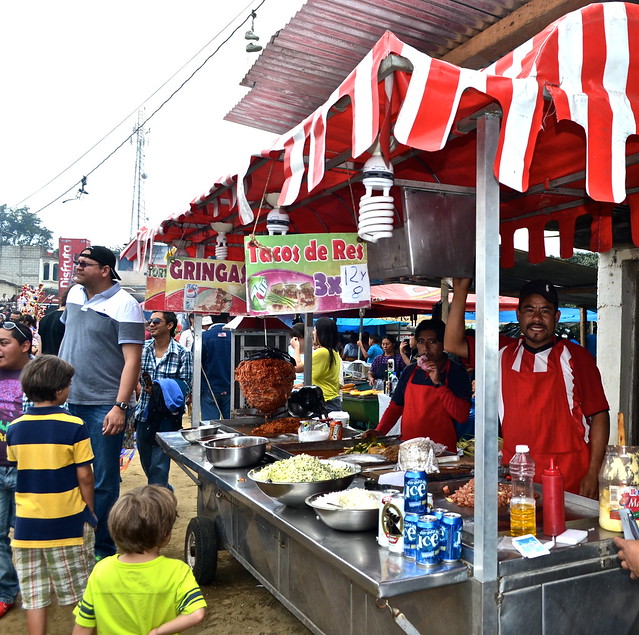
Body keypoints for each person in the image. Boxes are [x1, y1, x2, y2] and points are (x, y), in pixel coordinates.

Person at [445, 278, 610, 498]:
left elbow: (599, 415)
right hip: (519, 476)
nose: (536, 318)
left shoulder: (577, 356)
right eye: (530, 310)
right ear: (518, 314)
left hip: (572, 479)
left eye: (545, 311)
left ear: (556, 317)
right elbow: (452, 344)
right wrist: (461, 290)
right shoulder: (502, 352)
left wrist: (593, 473)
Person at [59, 245, 145, 559]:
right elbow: (72, 342)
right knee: (68, 473)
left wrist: (120, 406)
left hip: (103, 406)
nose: (77, 266)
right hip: (65, 401)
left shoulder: (126, 305)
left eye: (84, 263)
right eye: (76, 261)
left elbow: (132, 361)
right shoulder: (73, 296)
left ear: (105, 269)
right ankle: (74, 538)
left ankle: (103, 547)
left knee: (105, 478)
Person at [6, 355, 96, 635]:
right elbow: (85, 476)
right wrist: (89, 511)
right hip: (68, 522)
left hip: (27, 527)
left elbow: (16, 464)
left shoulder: (15, 428)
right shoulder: (74, 425)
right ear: (60, 390)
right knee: (83, 597)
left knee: (34, 597)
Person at [73, 485, 206, 635]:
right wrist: (158, 631)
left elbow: (83, 626)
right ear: (166, 534)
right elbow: (197, 613)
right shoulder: (177, 572)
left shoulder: (100, 571)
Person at [368, 319, 471, 448]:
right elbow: (395, 408)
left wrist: (439, 384)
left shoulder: (456, 372)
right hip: (408, 448)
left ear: (443, 343)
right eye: (421, 342)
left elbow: (461, 416)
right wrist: (379, 431)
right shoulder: (409, 371)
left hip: (443, 453)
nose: (425, 348)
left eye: (432, 342)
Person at [135, 311, 192, 488]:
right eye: (150, 321)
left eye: (156, 321)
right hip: (144, 413)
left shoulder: (182, 353)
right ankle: (163, 490)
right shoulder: (142, 349)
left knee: (160, 463)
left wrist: (160, 389)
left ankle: (156, 506)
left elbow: (186, 385)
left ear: (170, 326)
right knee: (146, 458)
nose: (151, 324)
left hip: (168, 416)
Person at [0, 320, 32, 619]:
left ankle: (34, 587)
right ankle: (5, 591)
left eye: (3, 342)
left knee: (27, 533)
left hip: (29, 470)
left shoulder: (39, 376)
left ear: (24, 346)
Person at [200, 314, 231, 420]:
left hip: (208, 389)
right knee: (233, 428)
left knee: (210, 429)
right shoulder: (235, 336)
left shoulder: (202, 337)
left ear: (211, 319)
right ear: (228, 319)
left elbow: (194, 364)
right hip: (232, 390)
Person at [311, 317, 342, 413]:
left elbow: (297, 367)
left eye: (315, 330)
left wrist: (297, 348)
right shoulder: (333, 351)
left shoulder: (322, 352)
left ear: (321, 333)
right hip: (332, 401)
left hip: (324, 402)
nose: (313, 333)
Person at [38, 287, 71, 355]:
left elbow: (40, 350)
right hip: (65, 363)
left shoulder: (44, 319)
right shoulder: (71, 319)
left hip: (47, 362)